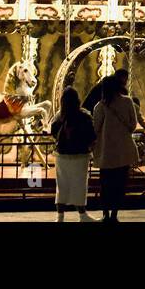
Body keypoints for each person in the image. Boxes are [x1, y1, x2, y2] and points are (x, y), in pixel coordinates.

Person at [93, 70, 140, 222]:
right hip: (123, 152)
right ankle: (114, 214)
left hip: (106, 152)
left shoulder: (100, 106)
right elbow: (132, 126)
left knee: (105, 185)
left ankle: (105, 214)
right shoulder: (128, 102)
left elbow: (95, 129)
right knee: (120, 184)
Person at [51, 87, 98, 222]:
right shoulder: (84, 116)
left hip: (62, 155)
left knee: (62, 185)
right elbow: (91, 135)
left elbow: (53, 132)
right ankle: (82, 215)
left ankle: (60, 216)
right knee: (80, 184)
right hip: (80, 155)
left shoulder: (59, 116)